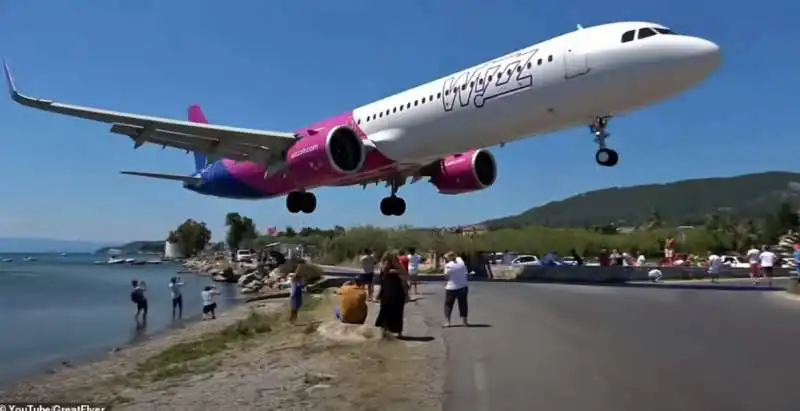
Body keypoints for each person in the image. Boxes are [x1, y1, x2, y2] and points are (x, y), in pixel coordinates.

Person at [374, 251, 408, 336]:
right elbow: (382, 282)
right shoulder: (383, 268)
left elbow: (405, 277)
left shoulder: (398, 268)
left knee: (397, 312)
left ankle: (398, 332)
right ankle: (384, 332)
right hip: (386, 293)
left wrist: (395, 270)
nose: (385, 263)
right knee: (385, 312)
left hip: (397, 293)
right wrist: (378, 294)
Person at [443, 251, 469, 328]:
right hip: (463, 286)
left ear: (448, 258)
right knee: (463, 304)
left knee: (448, 305)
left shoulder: (448, 266)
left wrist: (445, 264)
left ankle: (448, 322)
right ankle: (465, 321)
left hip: (451, 287)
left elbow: (446, 277)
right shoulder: (461, 261)